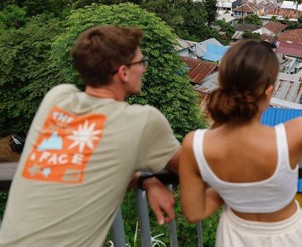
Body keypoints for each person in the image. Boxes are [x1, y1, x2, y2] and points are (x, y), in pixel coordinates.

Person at [179, 39, 302, 246]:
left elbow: (195, 213)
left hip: (235, 237)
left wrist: (230, 188)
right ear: (268, 91)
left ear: (221, 83)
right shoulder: (287, 139)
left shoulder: (194, 145)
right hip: (288, 237)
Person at [0, 25, 180, 246]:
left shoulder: (57, 99)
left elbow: (85, 163)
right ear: (123, 72)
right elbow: (190, 166)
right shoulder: (145, 120)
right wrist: (150, 179)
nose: (143, 69)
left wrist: (146, 179)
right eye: (140, 62)